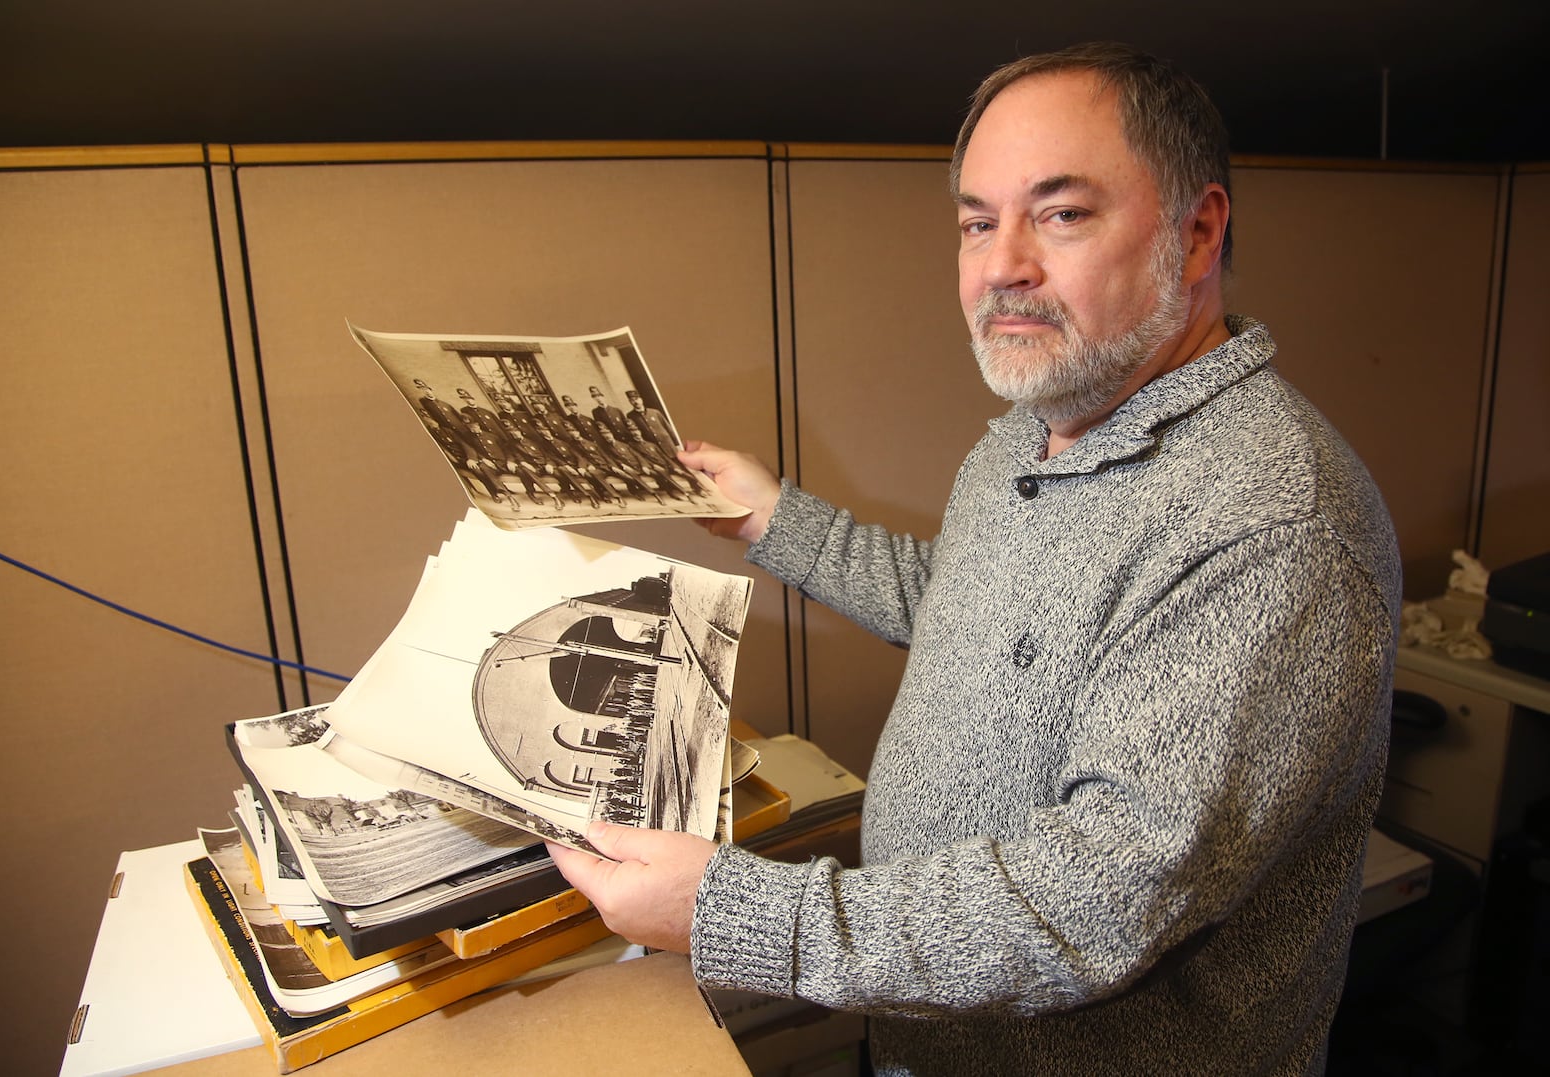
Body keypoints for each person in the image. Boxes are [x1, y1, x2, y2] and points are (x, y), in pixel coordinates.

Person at [548, 41, 1400, 1076]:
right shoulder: (1034, 429)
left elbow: (1095, 899)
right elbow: (976, 614)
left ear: (1196, 232)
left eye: (1062, 213)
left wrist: (739, 912)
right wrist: (778, 522)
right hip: (934, 1039)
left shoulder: (1272, 525)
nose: (1002, 267)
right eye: (976, 223)